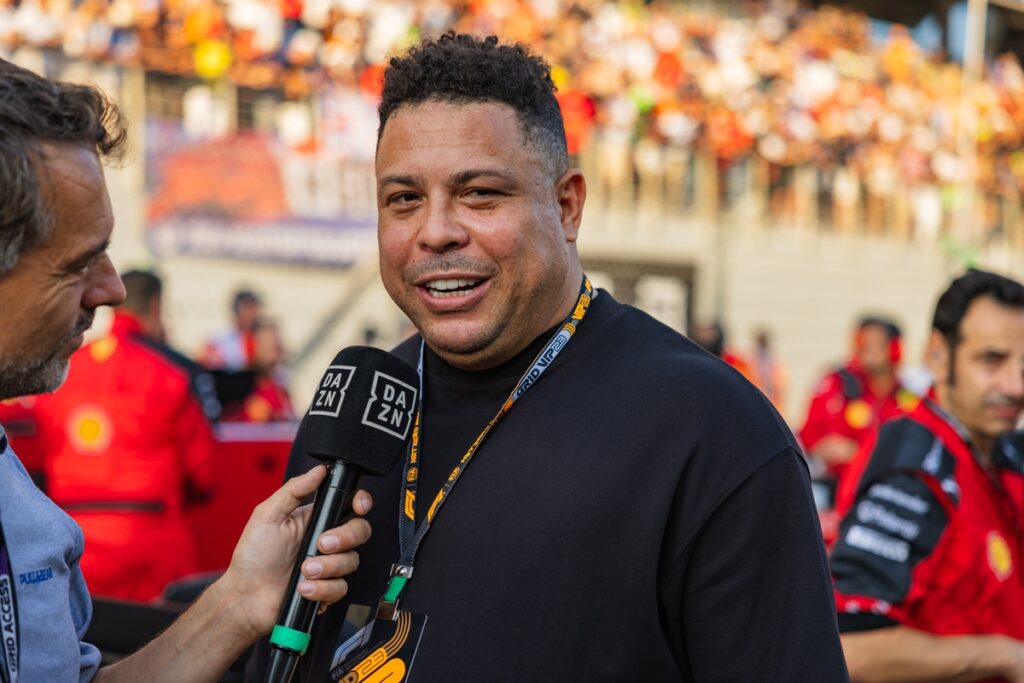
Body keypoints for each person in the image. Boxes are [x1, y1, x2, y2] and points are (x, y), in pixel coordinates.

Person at [247, 34, 847, 681]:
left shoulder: (711, 428)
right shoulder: (355, 412)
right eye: (403, 199)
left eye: (479, 193)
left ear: (567, 205)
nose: (436, 230)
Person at [0, 57, 371, 681]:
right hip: (155, 545)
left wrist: (240, 600)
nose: (111, 289)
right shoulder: (169, 374)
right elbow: (200, 468)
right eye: (78, 263)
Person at [831, 269, 1024, 682]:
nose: (1014, 385)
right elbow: (851, 650)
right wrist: (1007, 657)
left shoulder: (1004, 451)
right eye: (991, 361)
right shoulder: (916, 466)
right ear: (937, 355)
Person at [29, 269, 220, 601]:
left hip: (73, 544)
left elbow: (35, 462)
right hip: (155, 545)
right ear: (156, 305)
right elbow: (203, 474)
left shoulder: (64, 369)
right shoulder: (172, 370)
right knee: (161, 647)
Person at [799, 316, 915, 487]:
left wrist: (857, 453)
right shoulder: (835, 384)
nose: (868, 350)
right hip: (832, 487)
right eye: (863, 342)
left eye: (877, 343)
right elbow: (810, 439)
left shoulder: (906, 398)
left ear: (895, 349)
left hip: (885, 487)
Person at [201, 288, 263, 370]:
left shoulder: (262, 338)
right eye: (247, 308)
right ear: (237, 311)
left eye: (254, 308)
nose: (252, 314)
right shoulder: (220, 340)